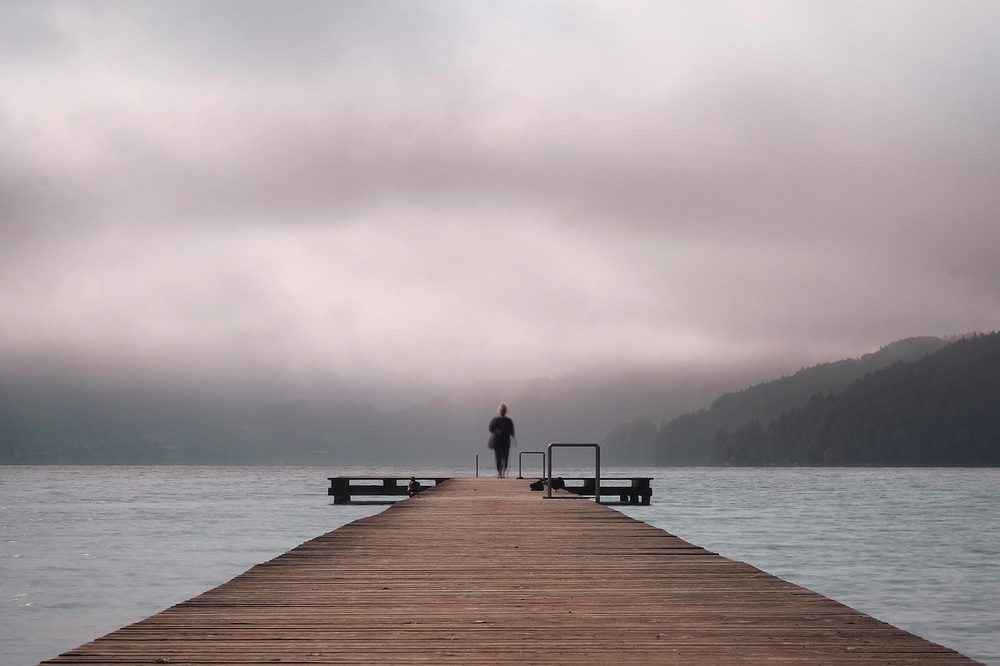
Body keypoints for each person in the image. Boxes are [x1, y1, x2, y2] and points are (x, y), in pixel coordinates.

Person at [488, 403, 516, 478]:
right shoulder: (505, 420)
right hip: (502, 442)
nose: (503, 411)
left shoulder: (497, 420)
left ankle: (501, 472)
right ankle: (501, 472)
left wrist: (496, 432)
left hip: (502, 441)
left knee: (501, 457)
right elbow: (512, 432)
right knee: (502, 457)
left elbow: (491, 429)